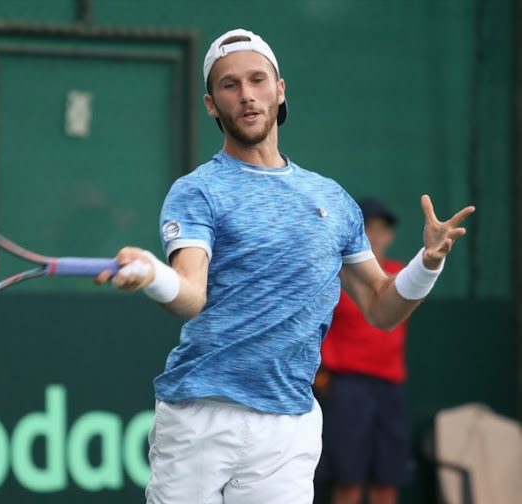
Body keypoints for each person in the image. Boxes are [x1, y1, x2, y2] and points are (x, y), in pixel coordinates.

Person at [94, 28, 474, 504]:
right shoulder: (197, 191)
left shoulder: (331, 200)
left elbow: (382, 308)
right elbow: (191, 294)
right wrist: (154, 275)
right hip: (200, 415)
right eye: (230, 85)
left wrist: (428, 263)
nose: (247, 95)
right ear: (211, 104)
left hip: (289, 427)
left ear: (280, 90)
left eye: (257, 80)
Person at [314, 198, 410, 504]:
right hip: (347, 389)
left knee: (387, 481)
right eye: (369, 227)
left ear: (390, 236)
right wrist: (320, 372)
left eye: (383, 229)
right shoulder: (335, 277)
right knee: (348, 482)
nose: (376, 235)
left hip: (389, 387)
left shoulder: (400, 273)